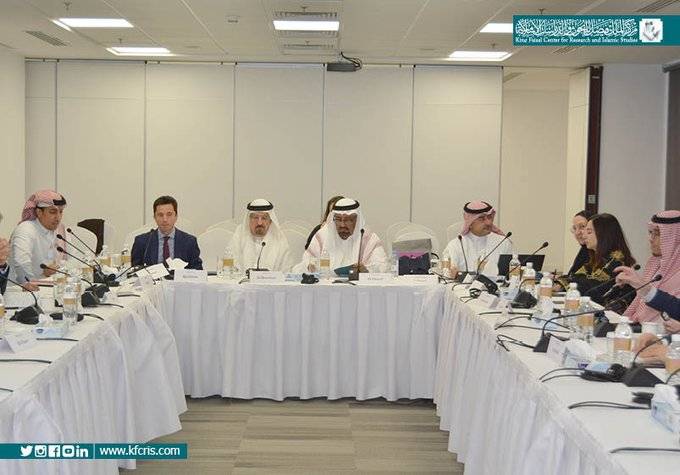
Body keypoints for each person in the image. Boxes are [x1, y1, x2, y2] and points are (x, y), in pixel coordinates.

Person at [556, 213, 636, 307]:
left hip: (613, 313)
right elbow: (577, 277)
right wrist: (560, 284)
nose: (584, 236)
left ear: (604, 235)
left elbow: (591, 287)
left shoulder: (617, 259)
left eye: (589, 232)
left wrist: (565, 285)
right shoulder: (596, 257)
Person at [614, 210, 680, 323]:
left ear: (676, 238)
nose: (651, 238)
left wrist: (643, 287)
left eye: (658, 234)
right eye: (650, 232)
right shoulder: (654, 263)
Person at [297, 198, 387, 274]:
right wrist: (309, 266)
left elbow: (383, 267)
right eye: (338, 219)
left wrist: (366, 271)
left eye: (348, 220)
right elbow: (305, 262)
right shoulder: (322, 236)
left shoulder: (369, 239)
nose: (342, 225)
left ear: (357, 220)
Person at [9, 190, 68, 282]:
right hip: (20, 287)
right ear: (39, 212)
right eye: (53, 212)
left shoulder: (60, 230)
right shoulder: (25, 229)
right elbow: (21, 263)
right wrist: (39, 275)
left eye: (61, 212)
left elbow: (72, 259)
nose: (58, 217)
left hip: (51, 284)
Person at [442, 201, 512, 278]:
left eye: (489, 217)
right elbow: (448, 274)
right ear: (470, 223)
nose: (488, 223)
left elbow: (512, 273)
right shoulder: (456, 245)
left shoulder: (503, 242)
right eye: (481, 219)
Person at [131, 196, 202, 270]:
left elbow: (198, 271)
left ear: (176, 216)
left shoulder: (189, 241)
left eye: (169, 214)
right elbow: (135, 271)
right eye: (160, 215)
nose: (165, 219)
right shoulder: (142, 242)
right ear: (154, 217)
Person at [229, 199, 293, 272]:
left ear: (270, 221)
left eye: (264, 218)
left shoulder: (279, 239)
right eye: (255, 218)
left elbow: (286, 270)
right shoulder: (239, 235)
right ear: (249, 220)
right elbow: (229, 266)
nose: (259, 223)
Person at [567, 210, 594, 276]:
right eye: (574, 228)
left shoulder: (597, 252)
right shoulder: (584, 249)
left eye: (582, 226)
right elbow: (573, 275)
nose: (577, 233)